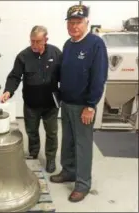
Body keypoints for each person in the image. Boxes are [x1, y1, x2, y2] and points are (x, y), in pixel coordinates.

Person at [50, 5, 108, 202]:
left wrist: (91, 105)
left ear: (86, 23)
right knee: (68, 141)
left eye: (78, 22)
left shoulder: (95, 44)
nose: (74, 26)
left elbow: (99, 77)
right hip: (66, 103)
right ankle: (68, 171)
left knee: (82, 146)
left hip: (84, 106)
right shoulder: (68, 44)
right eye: (71, 23)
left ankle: (82, 184)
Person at [0, 25, 62, 173]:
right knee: (32, 131)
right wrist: (8, 91)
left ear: (45, 39)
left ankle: (51, 158)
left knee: (52, 132)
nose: (34, 45)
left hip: (51, 103)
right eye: (32, 41)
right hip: (31, 103)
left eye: (38, 41)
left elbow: (64, 75)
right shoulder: (23, 56)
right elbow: (15, 76)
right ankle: (33, 153)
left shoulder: (56, 53)